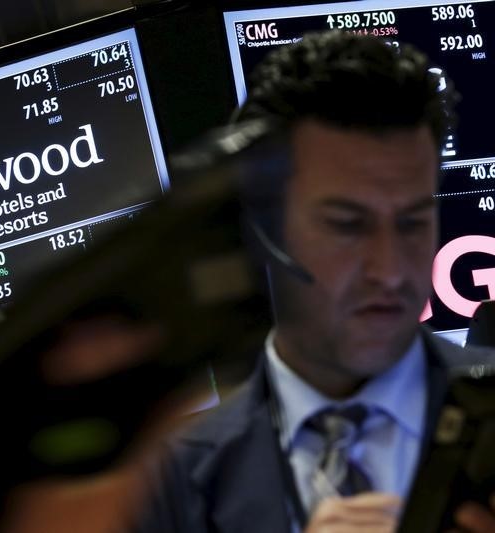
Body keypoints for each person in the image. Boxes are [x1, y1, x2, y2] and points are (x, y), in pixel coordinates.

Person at [134, 31, 495, 533]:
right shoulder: (161, 491)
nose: (390, 270)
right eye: (346, 225)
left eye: (413, 221)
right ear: (260, 227)